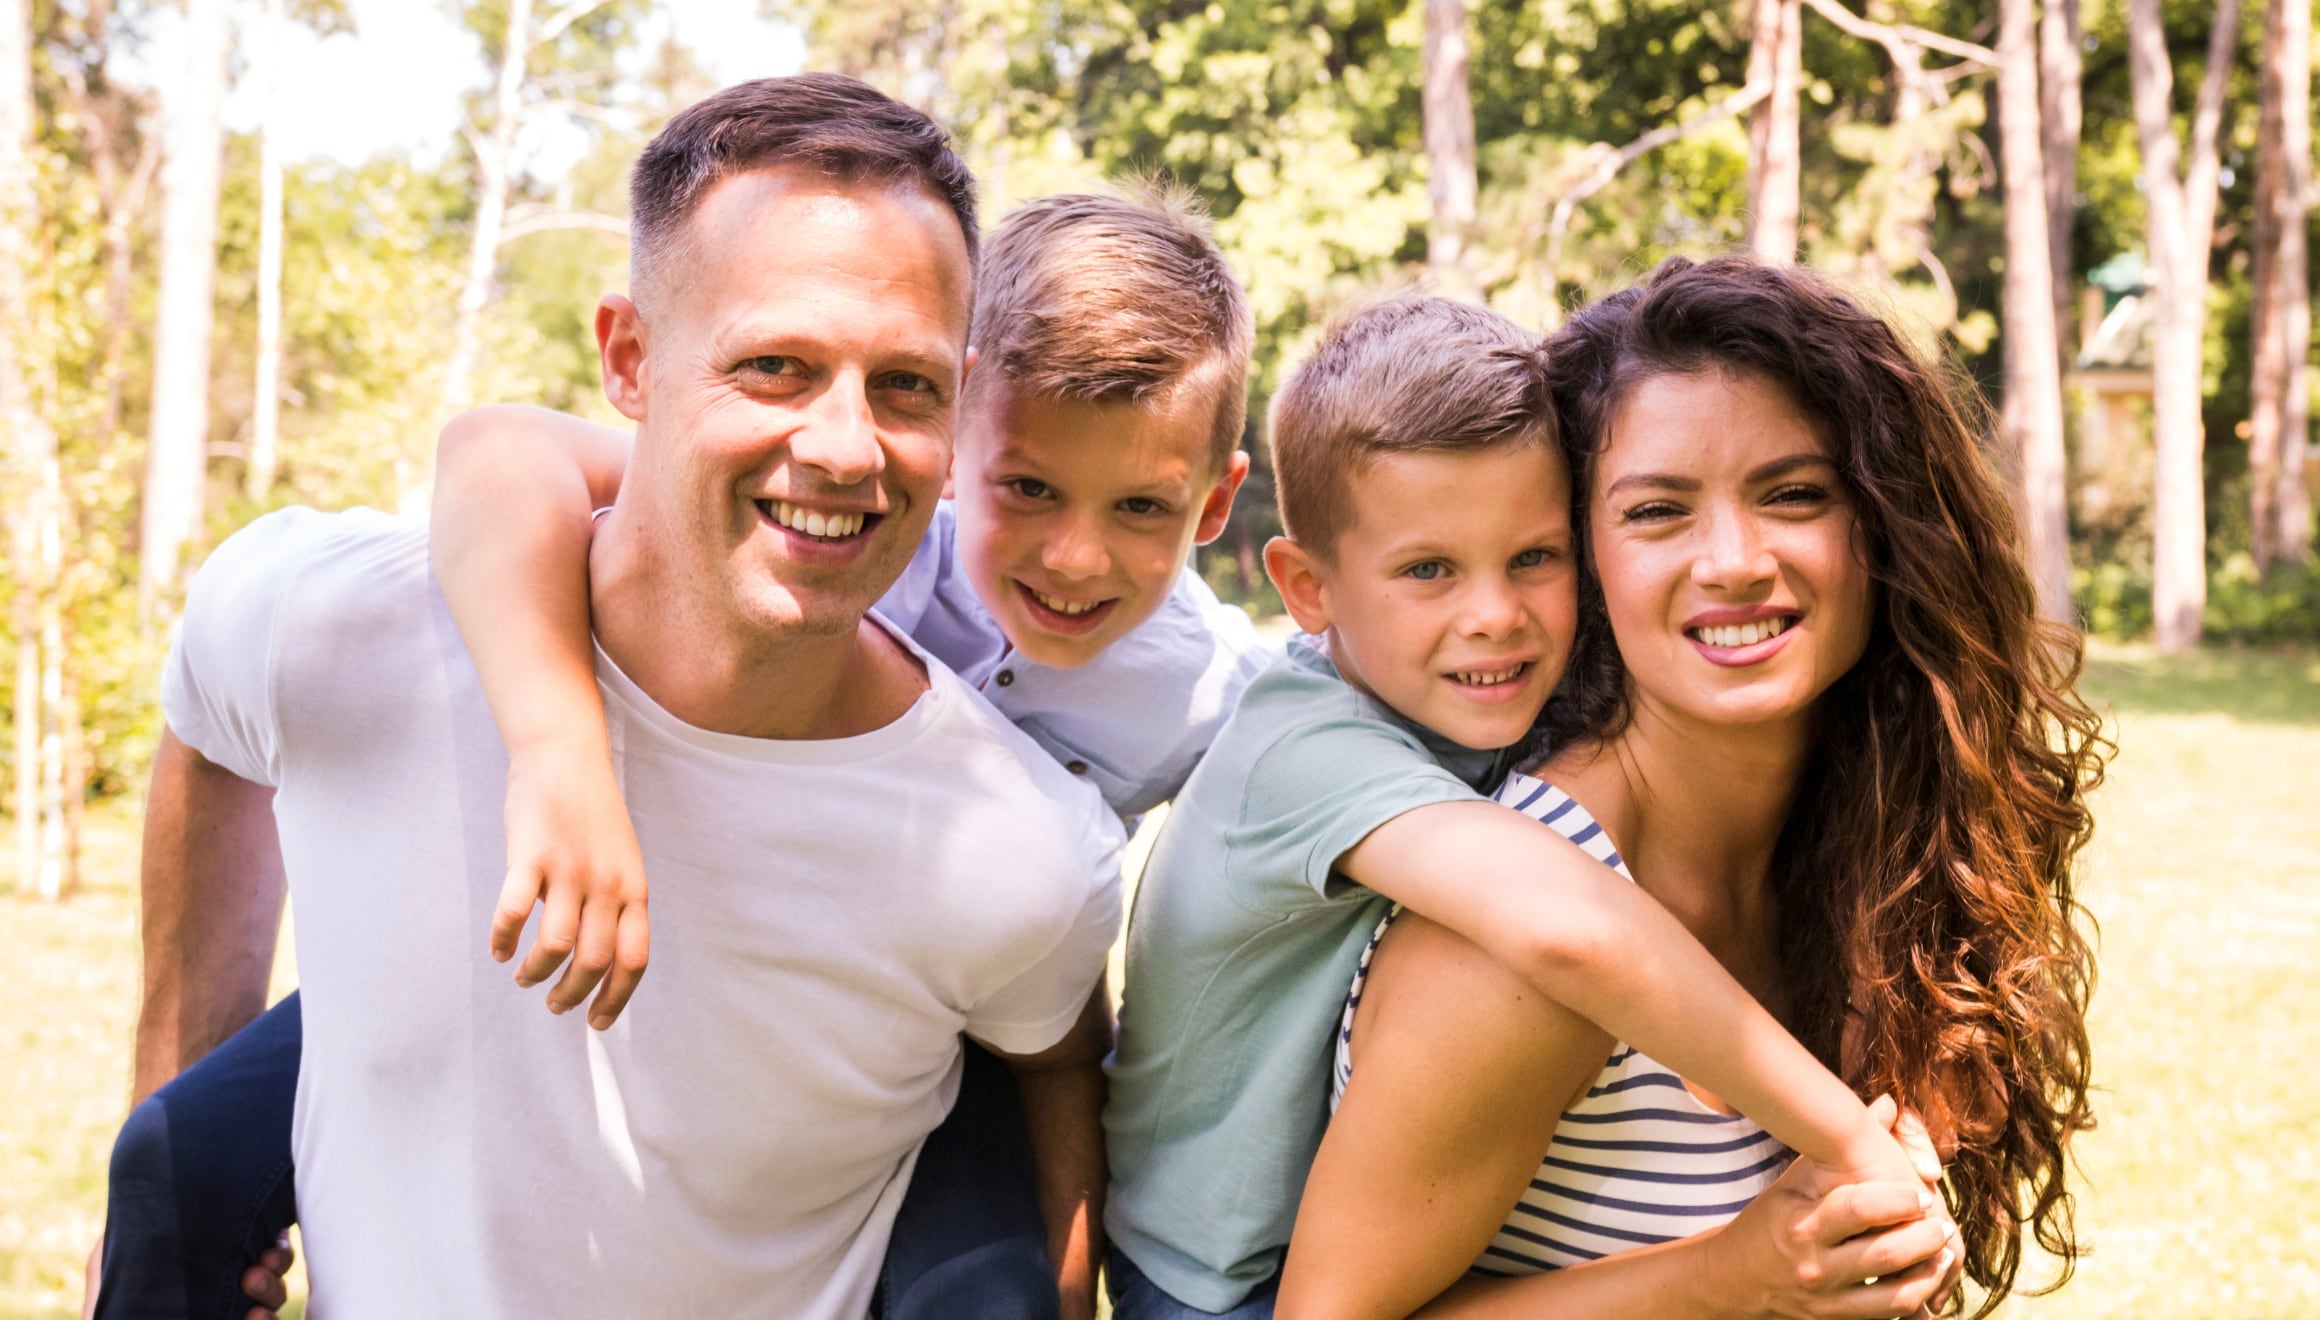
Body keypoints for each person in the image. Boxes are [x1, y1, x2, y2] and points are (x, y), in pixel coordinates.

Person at [93, 73, 1125, 1319]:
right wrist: (192, 1169)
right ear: (630, 359)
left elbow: (1057, 1060)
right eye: (777, 366)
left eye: (904, 386)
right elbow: (207, 731)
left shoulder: (1014, 853)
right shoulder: (342, 631)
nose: (847, 447)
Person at [1277, 257, 2103, 1317]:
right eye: (1658, 512)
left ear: (1886, 528)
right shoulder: (1514, 946)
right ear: (1579, 555)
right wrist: (1733, 1276)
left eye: (1793, 494)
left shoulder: (1871, 857)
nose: (1733, 561)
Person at [1100, 294, 1946, 1320]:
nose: (1494, 616)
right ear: (1306, 588)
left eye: (1533, 558)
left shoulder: (1476, 722)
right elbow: (1580, 935)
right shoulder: (1305, 749)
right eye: (1428, 570)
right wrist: (1852, 1145)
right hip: (1208, 1279)